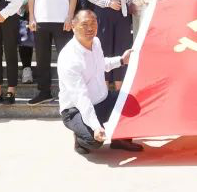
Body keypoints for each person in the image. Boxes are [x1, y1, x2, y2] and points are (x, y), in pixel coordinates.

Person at [57, 10, 142, 154]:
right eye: (85, 24)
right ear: (73, 26)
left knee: (131, 101)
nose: (90, 28)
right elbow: (81, 98)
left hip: (102, 99)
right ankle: (79, 139)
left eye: (93, 23)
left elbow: (101, 64)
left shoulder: (96, 42)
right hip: (75, 110)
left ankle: (120, 139)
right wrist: (96, 127)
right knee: (94, 141)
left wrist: (121, 60)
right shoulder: (69, 58)